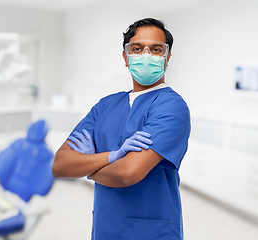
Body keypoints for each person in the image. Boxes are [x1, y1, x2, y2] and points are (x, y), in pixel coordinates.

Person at [52, 18, 191, 240]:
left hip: (150, 232)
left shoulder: (171, 106)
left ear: (167, 57)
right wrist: (112, 157)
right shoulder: (105, 105)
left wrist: (85, 165)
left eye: (156, 49)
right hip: (106, 227)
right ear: (126, 57)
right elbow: (60, 165)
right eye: (137, 49)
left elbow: (127, 173)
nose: (146, 56)